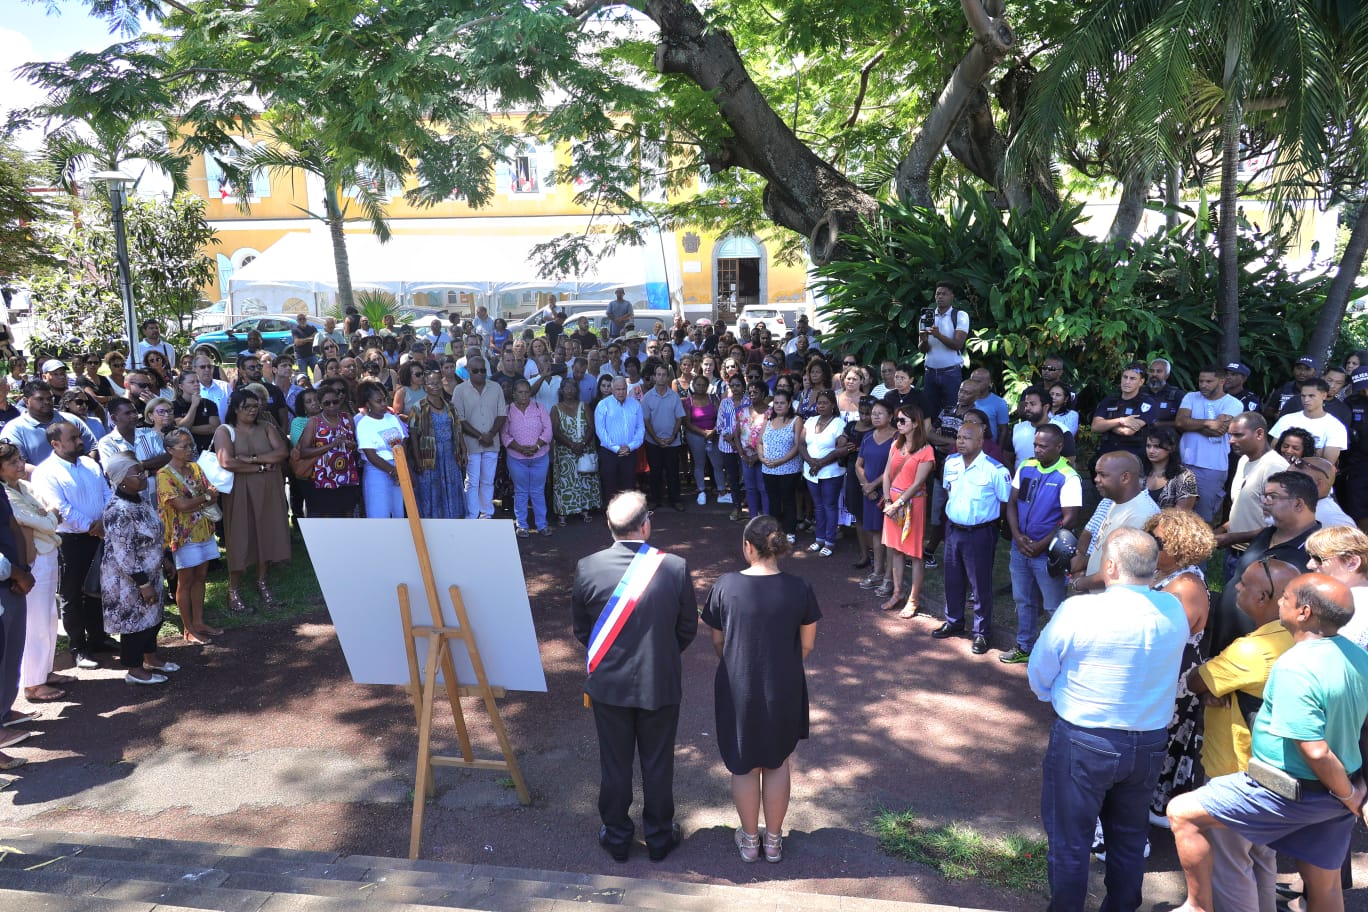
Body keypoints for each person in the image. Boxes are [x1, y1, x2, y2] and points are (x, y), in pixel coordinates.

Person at [1167, 574, 1368, 912]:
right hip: (1336, 790)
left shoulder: (1295, 665)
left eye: (1285, 597)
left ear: (1304, 612)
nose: (1279, 603)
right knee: (1326, 885)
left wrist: (1351, 796)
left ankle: (1197, 906)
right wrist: (1358, 787)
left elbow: (1314, 749)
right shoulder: (1356, 656)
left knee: (1182, 813)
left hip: (1286, 789)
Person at [1028, 528, 1189, 912]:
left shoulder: (1080, 610)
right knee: (1129, 838)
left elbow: (1040, 671)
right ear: (1152, 567)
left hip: (1085, 739)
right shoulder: (1173, 609)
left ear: (1111, 566)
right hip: (1148, 741)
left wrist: (1055, 696)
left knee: (1070, 840)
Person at [570, 491, 698, 863]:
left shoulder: (587, 567)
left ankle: (616, 837)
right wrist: (661, 654)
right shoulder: (674, 567)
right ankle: (659, 837)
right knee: (658, 763)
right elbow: (686, 628)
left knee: (615, 764)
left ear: (609, 526)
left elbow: (582, 630)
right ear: (645, 525)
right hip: (660, 681)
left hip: (609, 685)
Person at [701, 515, 820, 863]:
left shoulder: (725, 586)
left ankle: (750, 841)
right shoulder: (799, 587)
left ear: (747, 547)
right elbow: (807, 644)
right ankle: (773, 842)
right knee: (777, 762)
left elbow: (718, 641)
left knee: (744, 765)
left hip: (738, 685)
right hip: (783, 685)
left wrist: (737, 662)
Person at [1184, 556, 1299, 912]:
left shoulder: (1251, 651)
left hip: (1236, 772)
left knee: (1231, 867)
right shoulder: (1298, 638)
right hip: (1278, 771)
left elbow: (1196, 680)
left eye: (1245, 583)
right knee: (1262, 859)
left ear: (1265, 597)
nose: (1236, 586)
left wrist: (1214, 687)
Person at [1142, 509, 1217, 828]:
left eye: (1158, 542)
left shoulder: (1185, 586)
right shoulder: (1164, 573)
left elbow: (1167, 637)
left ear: (1181, 547)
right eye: (1149, 537)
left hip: (1174, 678)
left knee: (1163, 742)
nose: (1150, 545)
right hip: (1163, 672)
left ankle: (1155, 808)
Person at [1208, 470, 1321, 655]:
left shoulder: (1315, 554)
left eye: (1272, 497)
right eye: (1264, 496)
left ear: (1298, 504)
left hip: (1259, 655)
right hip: (1225, 640)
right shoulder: (1267, 533)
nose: (1265, 502)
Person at [32, 421, 111, 669]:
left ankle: (99, 638)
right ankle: (78, 647)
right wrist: (91, 526)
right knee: (72, 594)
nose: (80, 441)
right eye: (73, 438)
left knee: (98, 589)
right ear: (55, 444)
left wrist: (104, 522)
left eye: (79, 436)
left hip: (99, 536)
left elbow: (107, 493)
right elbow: (61, 508)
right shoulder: (45, 472)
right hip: (70, 541)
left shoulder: (90, 464)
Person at [98, 453, 176, 685]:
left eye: (143, 471)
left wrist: (164, 559)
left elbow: (154, 533)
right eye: (138, 473)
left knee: (153, 617)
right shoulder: (117, 510)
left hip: (150, 571)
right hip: (128, 578)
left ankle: (151, 658)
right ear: (122, 479)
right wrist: (143, 584)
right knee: (135, 622)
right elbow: (125, 554)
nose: (144, 476)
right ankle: (134, 670)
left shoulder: (139, 499)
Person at [933, 420, 1010, 654]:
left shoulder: (996, 470)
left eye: (966, 438)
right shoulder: (951, 462)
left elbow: (1005, 502)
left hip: (980, 533)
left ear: (980, 441)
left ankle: (981, 633)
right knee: (952, 579)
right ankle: (954, 621)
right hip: (953, 530)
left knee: (979, 585)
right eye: (959, 437)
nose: (960, 441)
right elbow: (949, 491)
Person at [214, 389, 290, 613]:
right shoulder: (224, 431)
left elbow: (281, 452)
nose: (252, 410)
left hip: (269, 489)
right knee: (240, 535)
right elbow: (227, 462)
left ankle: (262, 581)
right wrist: (262, 467)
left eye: (255, 406)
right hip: (240, 491)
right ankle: (233, 588)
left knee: (266, 531)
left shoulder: (266, 426)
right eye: (247, 406)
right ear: (235, 408)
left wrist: (252, 459)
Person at [0, 443, 62, 702]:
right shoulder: (6, 493)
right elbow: (43, 520)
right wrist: (47, 516)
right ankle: (33, 683)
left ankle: (45, 671)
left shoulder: (24, 487)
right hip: (32, 559)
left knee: (49, 616)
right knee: (35, 620)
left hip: (49, 553)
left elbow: (53, 508)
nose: (20, 465)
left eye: (20, 459)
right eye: (12, 462)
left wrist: (47, 516)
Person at [157, 428, 221, 645]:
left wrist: (202, 499)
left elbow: (214, 493)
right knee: (185, 582)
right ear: (170, 450)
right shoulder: (164, 475)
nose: (189, 450)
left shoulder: (195, 467)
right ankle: (188, 629)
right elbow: (182, 505)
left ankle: (199, 622)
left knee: (201, 577)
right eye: (183, 446)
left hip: (204, 529)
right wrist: (205, 498)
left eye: (190, 445)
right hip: (184, 536)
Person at [1070, 452, 1160, 593]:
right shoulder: (1115, 502)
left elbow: (1121, 571)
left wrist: (1080, 584)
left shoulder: (1141, 514)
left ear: (1125, 478)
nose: (1096, 479)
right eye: (1096, 474)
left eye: (1103, 475)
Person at [1214, 413, 1289, 582]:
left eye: (1238, 435)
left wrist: (1232, 538)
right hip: (1235, 553)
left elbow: (1281, 524)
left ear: (1259, 434)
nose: (1231, 440)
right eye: (1230, 435)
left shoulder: (1275, 467)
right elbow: (1246, 508)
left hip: (1259, 557)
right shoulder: (1244, 460)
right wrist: (1221, 530)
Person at [880, 404, 935, 615]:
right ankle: (897, 593)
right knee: (895, 549)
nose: (899, 424)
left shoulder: (926, 450)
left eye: (903, 420)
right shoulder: (896, 444)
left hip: (912, 504)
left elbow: (917, 483)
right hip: (893, 502)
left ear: (916, 423)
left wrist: (896, 504)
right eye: (897, 420)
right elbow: (886, 474)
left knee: (914, 553)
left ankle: (913, 599)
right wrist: (888, 501)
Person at [1176, 366, 1244, 520]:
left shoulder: (1233, 403)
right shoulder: (1191, 397)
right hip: (1184, 463)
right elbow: (1180, 422)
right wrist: (1208, 423)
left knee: (1204, 516)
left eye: (1208, 381)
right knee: (1180, 514)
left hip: (1213, 467)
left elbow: (1219, 429)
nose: (1203, 385)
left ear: (1222, 381)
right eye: (1201, 381)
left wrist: (1191, 424)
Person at [451, 355, 506, 520]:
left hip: (492, 443)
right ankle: (472, 514)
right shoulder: (460, 390)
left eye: (483, 370)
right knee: (472, 482)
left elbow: (502, 414)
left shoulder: (496, 387)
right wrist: (481, 436)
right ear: (468, 370)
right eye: (476, 371)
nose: (480, 374)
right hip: (471, 444)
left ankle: (486, 513)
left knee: (488, 480)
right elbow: (459, 419)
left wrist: (490, 434)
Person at [408, 372, 466, 520]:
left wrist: (463, 451)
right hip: (429, 455)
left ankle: (452, 520)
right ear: (425, 386)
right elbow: (413, 435)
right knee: (431, 489)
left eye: (438, 383)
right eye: (431, 383)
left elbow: (458, 430)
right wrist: (418, 460)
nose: (435, 386)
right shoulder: (418, 407)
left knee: (452, 487)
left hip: (450, 454)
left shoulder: (450, 406)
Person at [1, 381, 97, 468]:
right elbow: (17, 464)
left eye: (50, 398)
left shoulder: (71, 420)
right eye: (40, 399)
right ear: (26, 401)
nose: (47, 402)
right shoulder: (14, 430)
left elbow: (92, 447)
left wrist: (84, 469)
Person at [299, 383, 360, 518]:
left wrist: (351, 445)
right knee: (328, 516)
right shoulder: (314, 421)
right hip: (324, 476)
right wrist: (331, 445)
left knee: (348, 513)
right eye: (327, 403)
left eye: (335, 402)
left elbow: (355, 443)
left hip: (347, 474)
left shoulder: (347, 418)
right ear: (320, 404)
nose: (332, 405)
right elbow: (304, 452)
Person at [856, 400, 897, 596]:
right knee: (875, 533)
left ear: (890, 416)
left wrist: (873, 485)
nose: (875, 416)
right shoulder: (867, 437)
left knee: (889, 535)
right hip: (869, 493)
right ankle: (877, 572)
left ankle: (889, 578)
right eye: (873, 413)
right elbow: (858, 465)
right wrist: (866, 486)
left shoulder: (897, 437)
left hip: (888, 492)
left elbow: (894, 467)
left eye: (880, 413)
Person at [800, 389, 849, 556]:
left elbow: (841, 449)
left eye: (825, 403)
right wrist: (810, 462)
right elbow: (801, 444)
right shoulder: (810, 421)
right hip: (811, 472)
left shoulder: (839, 423)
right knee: (818, 506)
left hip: (831, 472)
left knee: (830, 506)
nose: (821, 406)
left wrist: (819, 464)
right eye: (819, 403)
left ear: (833, 405)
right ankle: (819, 538)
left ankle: (830, 541)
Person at [502, 379, 553, 536]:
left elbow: (548, 430)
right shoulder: (508, 410)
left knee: (538, 491)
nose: (524, 395)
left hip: (540, 456)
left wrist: (537, 446)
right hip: (517, 458)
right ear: (514, 394)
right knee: (521, 491)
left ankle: (542, 525)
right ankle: (522, 525)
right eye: (520, 392)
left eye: (526, 392)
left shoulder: (539, 407)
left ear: (530, 393)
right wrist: (519, 448)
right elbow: (504, 435)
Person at [98, 398, 170, 504]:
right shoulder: (107, 443)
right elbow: (116, 474)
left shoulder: (149, 433)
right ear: (114, 418)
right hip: (130, 502)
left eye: (134, 412)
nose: (134, 416)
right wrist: (151, 468)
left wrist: (139, 466)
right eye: (127, 413)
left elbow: (167, 459)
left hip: (160, 496)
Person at [1307, 525, 1368, 649]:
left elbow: (1335, 653)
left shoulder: (1357, 605)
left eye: (1318, 559)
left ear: (1352, 563)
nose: (1310, 565)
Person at [354, 381, 408, 520]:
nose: (384, 404)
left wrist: (401, 469)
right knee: (380, 513)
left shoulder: (392, 418)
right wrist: (393, 471)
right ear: (368, 404)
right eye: (378, 401)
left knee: (397, 512)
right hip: (377, 471)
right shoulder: (364, 424)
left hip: (398, 468)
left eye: (384, 399)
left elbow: (402, 444)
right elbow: (371, 455)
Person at [918, 282, 969, 420]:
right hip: (930, 372)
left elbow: (958, 344)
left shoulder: (960, 315)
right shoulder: (926, 317)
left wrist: (938, 335)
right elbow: (923, 349)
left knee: (952, 411)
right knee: (929, 412)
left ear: (952, 296)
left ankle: (949, 434)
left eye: (944, 294)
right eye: (938, 294)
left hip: (951, 373)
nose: (940, 297)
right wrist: (924, 340)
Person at [758, 389, 804, 541]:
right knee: (773, 501)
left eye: (782, 403)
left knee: (788, 499)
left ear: (789, 403)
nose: (778, 406)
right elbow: (760, 442)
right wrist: (762, 457)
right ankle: (774, 531)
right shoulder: (768, 421)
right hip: (768, 469)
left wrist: (780, 461)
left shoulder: (796, 420)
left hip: (789, 469)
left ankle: (790, 532)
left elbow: (797, 446)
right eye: (776, 403)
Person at [551, 381, 599, 524]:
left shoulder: (584, 406)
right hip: (565, 452)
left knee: (584, 480)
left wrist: (582, 444)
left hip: (584, 450)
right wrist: (572, 445)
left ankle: (585, 510)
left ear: (576, 390)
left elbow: (591, 427)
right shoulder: (556, 408)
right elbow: (555, 431)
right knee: (565, 483)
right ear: (561, 391)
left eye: (572, 387)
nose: (570, 390)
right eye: (566, 388)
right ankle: (563, 513)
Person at [1269, 379, 1347, 464]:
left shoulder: (1336, 426)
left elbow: (1327, 463)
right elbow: (1274, 451)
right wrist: (1318, 451)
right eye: (1303, 396)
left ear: (1324, 395)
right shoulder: (1286, 419)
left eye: (1311, 396)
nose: (1306, 400)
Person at [594, 377, 644, 508]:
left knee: (629, 487)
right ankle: (612, 515)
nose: (621, 392)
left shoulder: (635, 405)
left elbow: (640, 429)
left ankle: (628, 515)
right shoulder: (603, 405)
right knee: (610, 487)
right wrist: (616, 448)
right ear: (612, 389)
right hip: (609, 453)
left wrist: (630, 447)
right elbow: (600, 431)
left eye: (623, 389)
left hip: (629, 453)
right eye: (618, 389)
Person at [1091, 363, 1157, 462]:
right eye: (1125, 377)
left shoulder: (1147, 402)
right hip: (1107, 455)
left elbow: (1128, 431)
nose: (1127, 381)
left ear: (1141, 382)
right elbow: (1095, 427)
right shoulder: (1109, 400)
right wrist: (1122, 420)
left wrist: (1106, 426)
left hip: (1133, 457)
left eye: (1132, 378)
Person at [641, 365, 685, 512]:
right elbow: (646, 420)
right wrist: (656, 438)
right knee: (655, 472)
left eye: (664, 374)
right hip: (653, 442)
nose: (661, 377)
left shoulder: (674, 396)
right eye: (658, 374)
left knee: (673, 472)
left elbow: (679, 417)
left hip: (672, 442)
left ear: (668, 377)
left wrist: (673, 436)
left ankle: (675, 500)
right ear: (654, 377)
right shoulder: (647, 397)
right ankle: (655, 499)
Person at [684, 374, 728, 506]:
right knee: (699, 464)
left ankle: (722, 492)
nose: (701, 387)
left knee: (718, 463)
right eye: (698, 385)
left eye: (704, 385)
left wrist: (713, 431)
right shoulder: (688, 401)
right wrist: (703, 433)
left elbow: (721, 417)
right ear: (693, 386)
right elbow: (687, 423)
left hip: (713, 435)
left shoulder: (713, 398)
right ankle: (701, 491)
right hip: (695, 435)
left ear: (708, 386)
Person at [1142, 426, 1198, 511]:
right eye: (1148, 446)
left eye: (1157, 447)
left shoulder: (1185, 477)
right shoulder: (1139, 471)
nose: (1151, 451)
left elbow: (1182, 514)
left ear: (1171, 448)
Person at [1146, 357, 1186, 427]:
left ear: (1167, 375)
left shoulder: (1177, 395)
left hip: (1167, 433)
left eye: (1159, 371)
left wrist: (1158, 424)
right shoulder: (1140, 392)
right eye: (1151, 371)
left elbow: (1184, 422)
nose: (1154, 374)